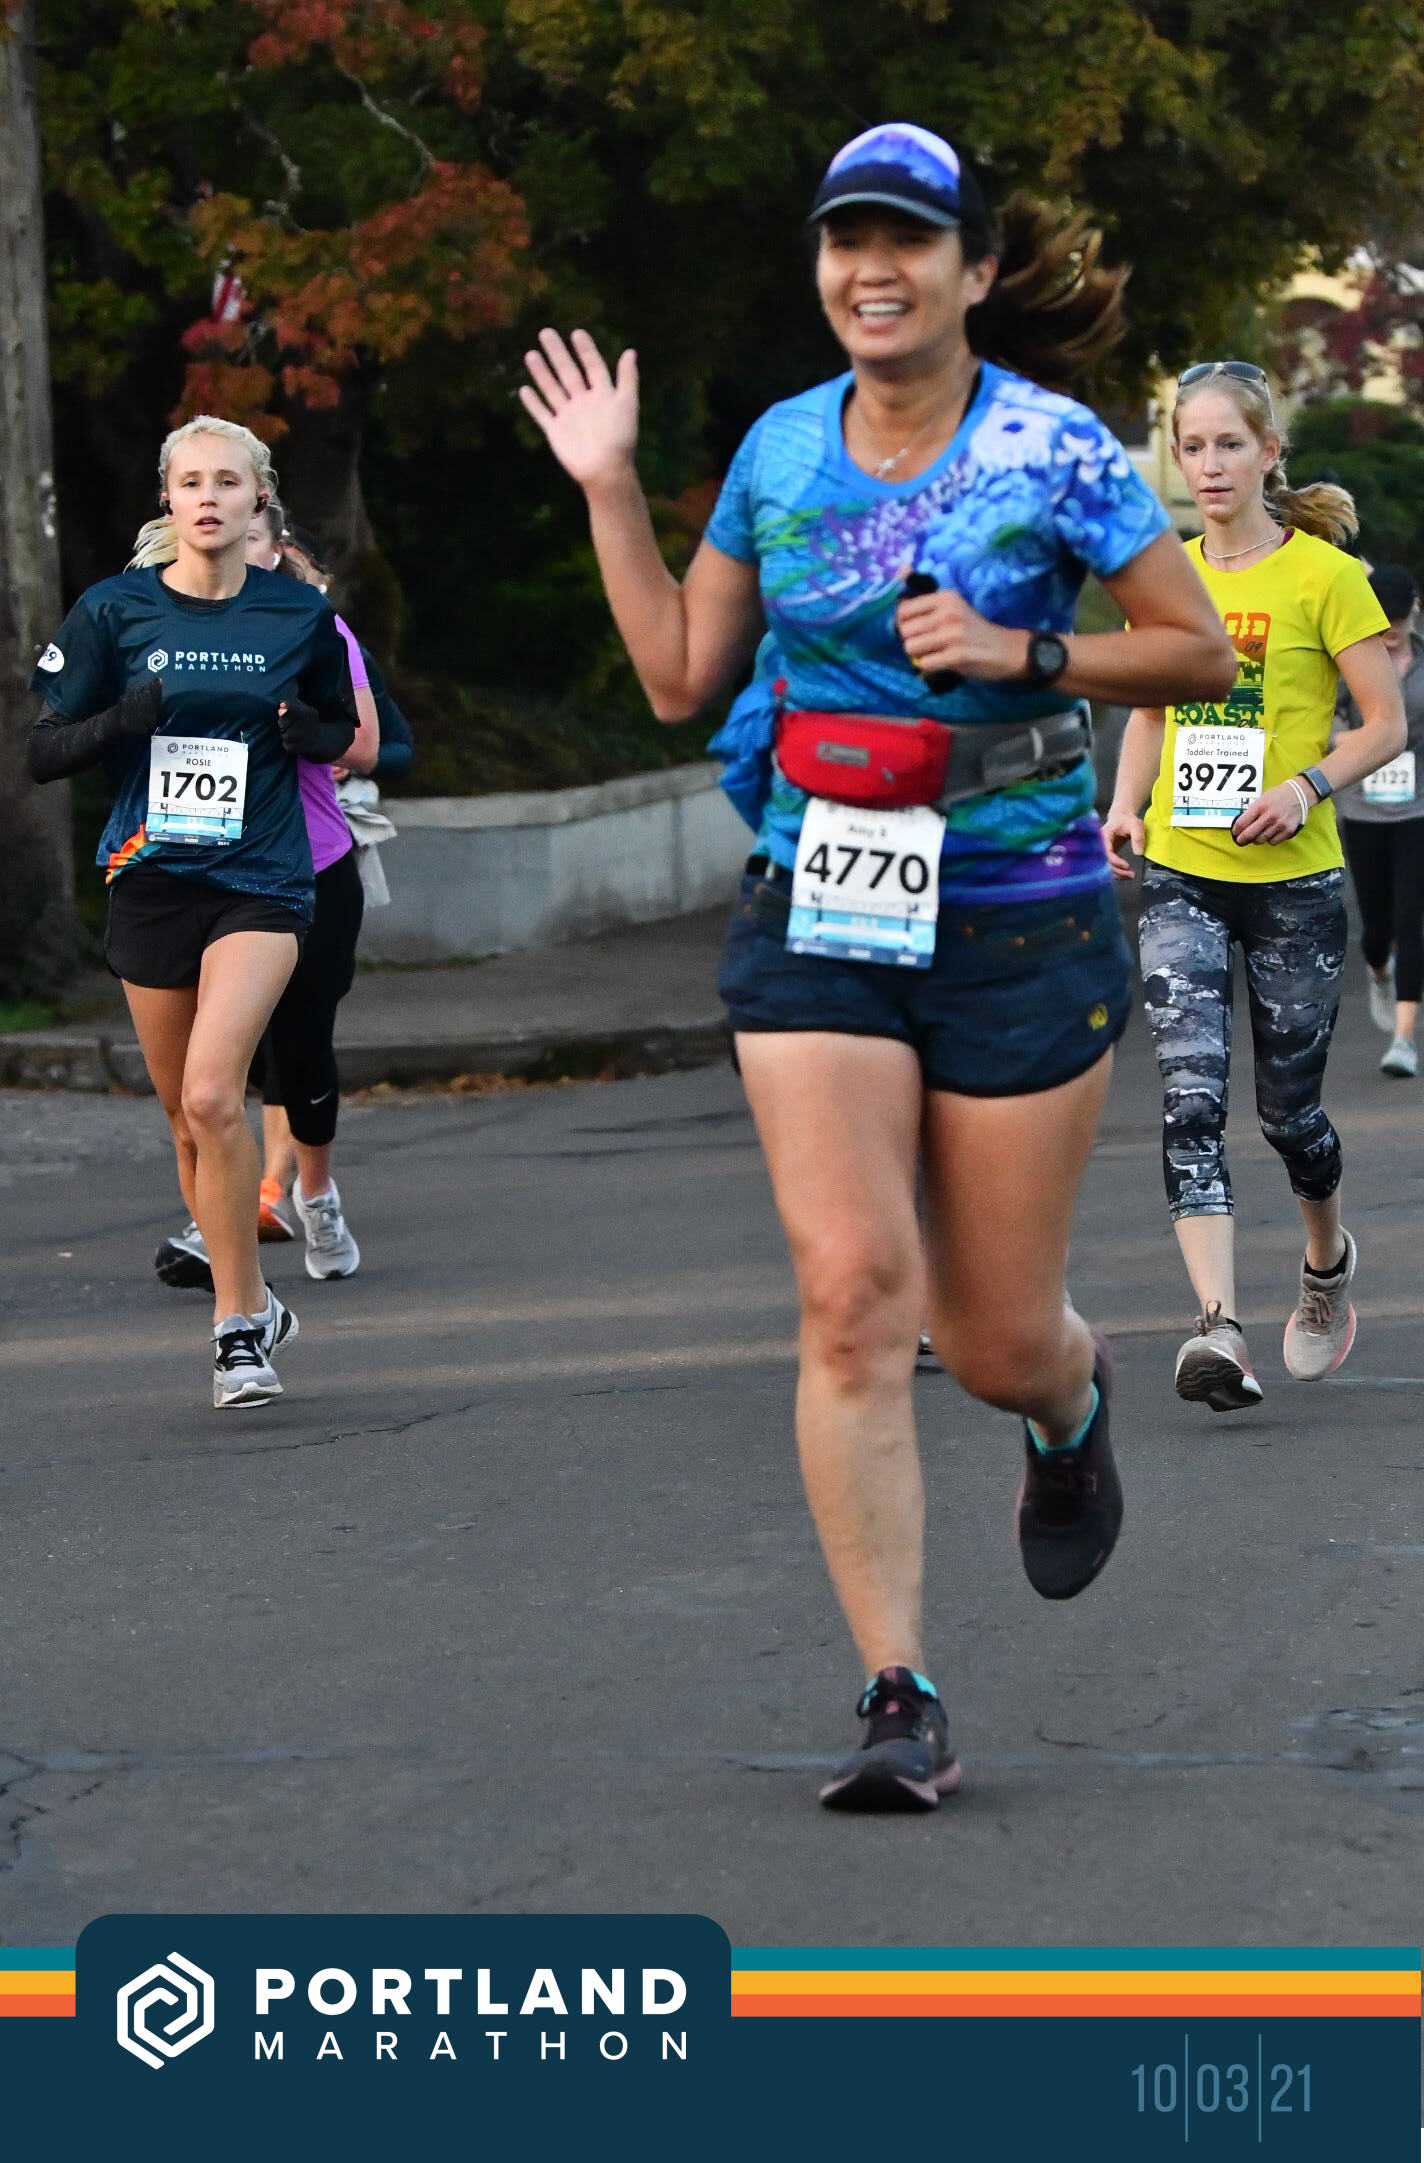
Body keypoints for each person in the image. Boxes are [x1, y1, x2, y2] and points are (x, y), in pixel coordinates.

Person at [519, 120, 1236, 1811]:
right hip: (821, 897)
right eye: (846, 238)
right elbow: (678, 675)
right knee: (852, 1293)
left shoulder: (1052, 447)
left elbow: (1196, 650)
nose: (871, 268)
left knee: (990, 1341)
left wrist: (1023, 648)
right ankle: (897, 1692)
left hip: (1017, 907)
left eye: (907, 239)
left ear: (972, 269)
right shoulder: (778, 447)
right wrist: (608, 485)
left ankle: (1067, 1403)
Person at [27, 416, 357, 1407]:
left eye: (227, 482)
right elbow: (42, 751)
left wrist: (305, 730)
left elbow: (342, 727)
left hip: (261, 881)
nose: (208, 498)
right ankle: (256, 1305)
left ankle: (235, 1328)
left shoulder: (294, 613)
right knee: (184, 1121)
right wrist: (123, 719)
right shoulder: (113, 610)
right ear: (167, 501)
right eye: (191, 482)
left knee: (216, 1096)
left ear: (259, 501)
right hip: (151, 879)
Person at [1103, 362, 1406, 1413]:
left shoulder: (1325, 575)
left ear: (1269, 452)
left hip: (1294, 879)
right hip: (1182, 872)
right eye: (1191, 446)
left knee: (1289, 1115)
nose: (1209, 464)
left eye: (1229, 443)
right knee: (1189, 1100)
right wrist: (1124, 804)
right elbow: (1149, 707)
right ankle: (1217, 1328)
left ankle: (1325, 1263)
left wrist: (1304, 785)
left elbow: (1384, 723)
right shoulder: (1167, 577)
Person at [154, 504, 385, 1286]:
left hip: (308, 866)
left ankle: (314, 1191)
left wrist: (310, 730)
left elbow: (366, 743)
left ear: (274, 548)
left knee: (300, 1049)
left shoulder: (311, 626)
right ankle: (219, 1223)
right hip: (196, 873)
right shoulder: (156, 623)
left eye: (250, 537)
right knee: (208, 1069)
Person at [1333, 562, 1424, 1079]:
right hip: (1363, 807)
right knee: (1376, 928)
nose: (1390, 629)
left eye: (1397, 618)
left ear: (1414, 608)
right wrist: (1373, 737)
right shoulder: (1353, 660)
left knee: (1411, 921)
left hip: (1418, 808)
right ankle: (1378, 970)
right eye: (1381, 618)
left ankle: (1404, 1039)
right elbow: (1324, 725)